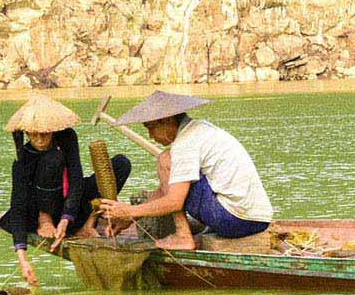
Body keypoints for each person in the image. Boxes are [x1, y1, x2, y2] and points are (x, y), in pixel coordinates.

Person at [100, 91, 273, 250]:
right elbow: (164, 190)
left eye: (150, 128)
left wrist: (129, 211)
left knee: (165, 160)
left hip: (236, 219)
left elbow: (175, 200)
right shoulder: (200, 129)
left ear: (167, 120)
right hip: (257, 219)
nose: (151, 136)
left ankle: (183, 236)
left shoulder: (185, 143)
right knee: (172, 170)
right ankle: (186, 233)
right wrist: (128, 220)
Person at [0, 94, 132, 285]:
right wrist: (23, 260)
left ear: (53, 129)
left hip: (69, 204)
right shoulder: (22, 160)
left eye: (45, 133)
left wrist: (66, 219)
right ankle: (46, 220)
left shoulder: (67, 137)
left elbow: (76, 180)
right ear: (26, 132)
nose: (40, 139)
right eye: (33, 134)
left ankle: (87, 224)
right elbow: (18, 206)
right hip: (39, 210)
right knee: (52, 159)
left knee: (120, 164)